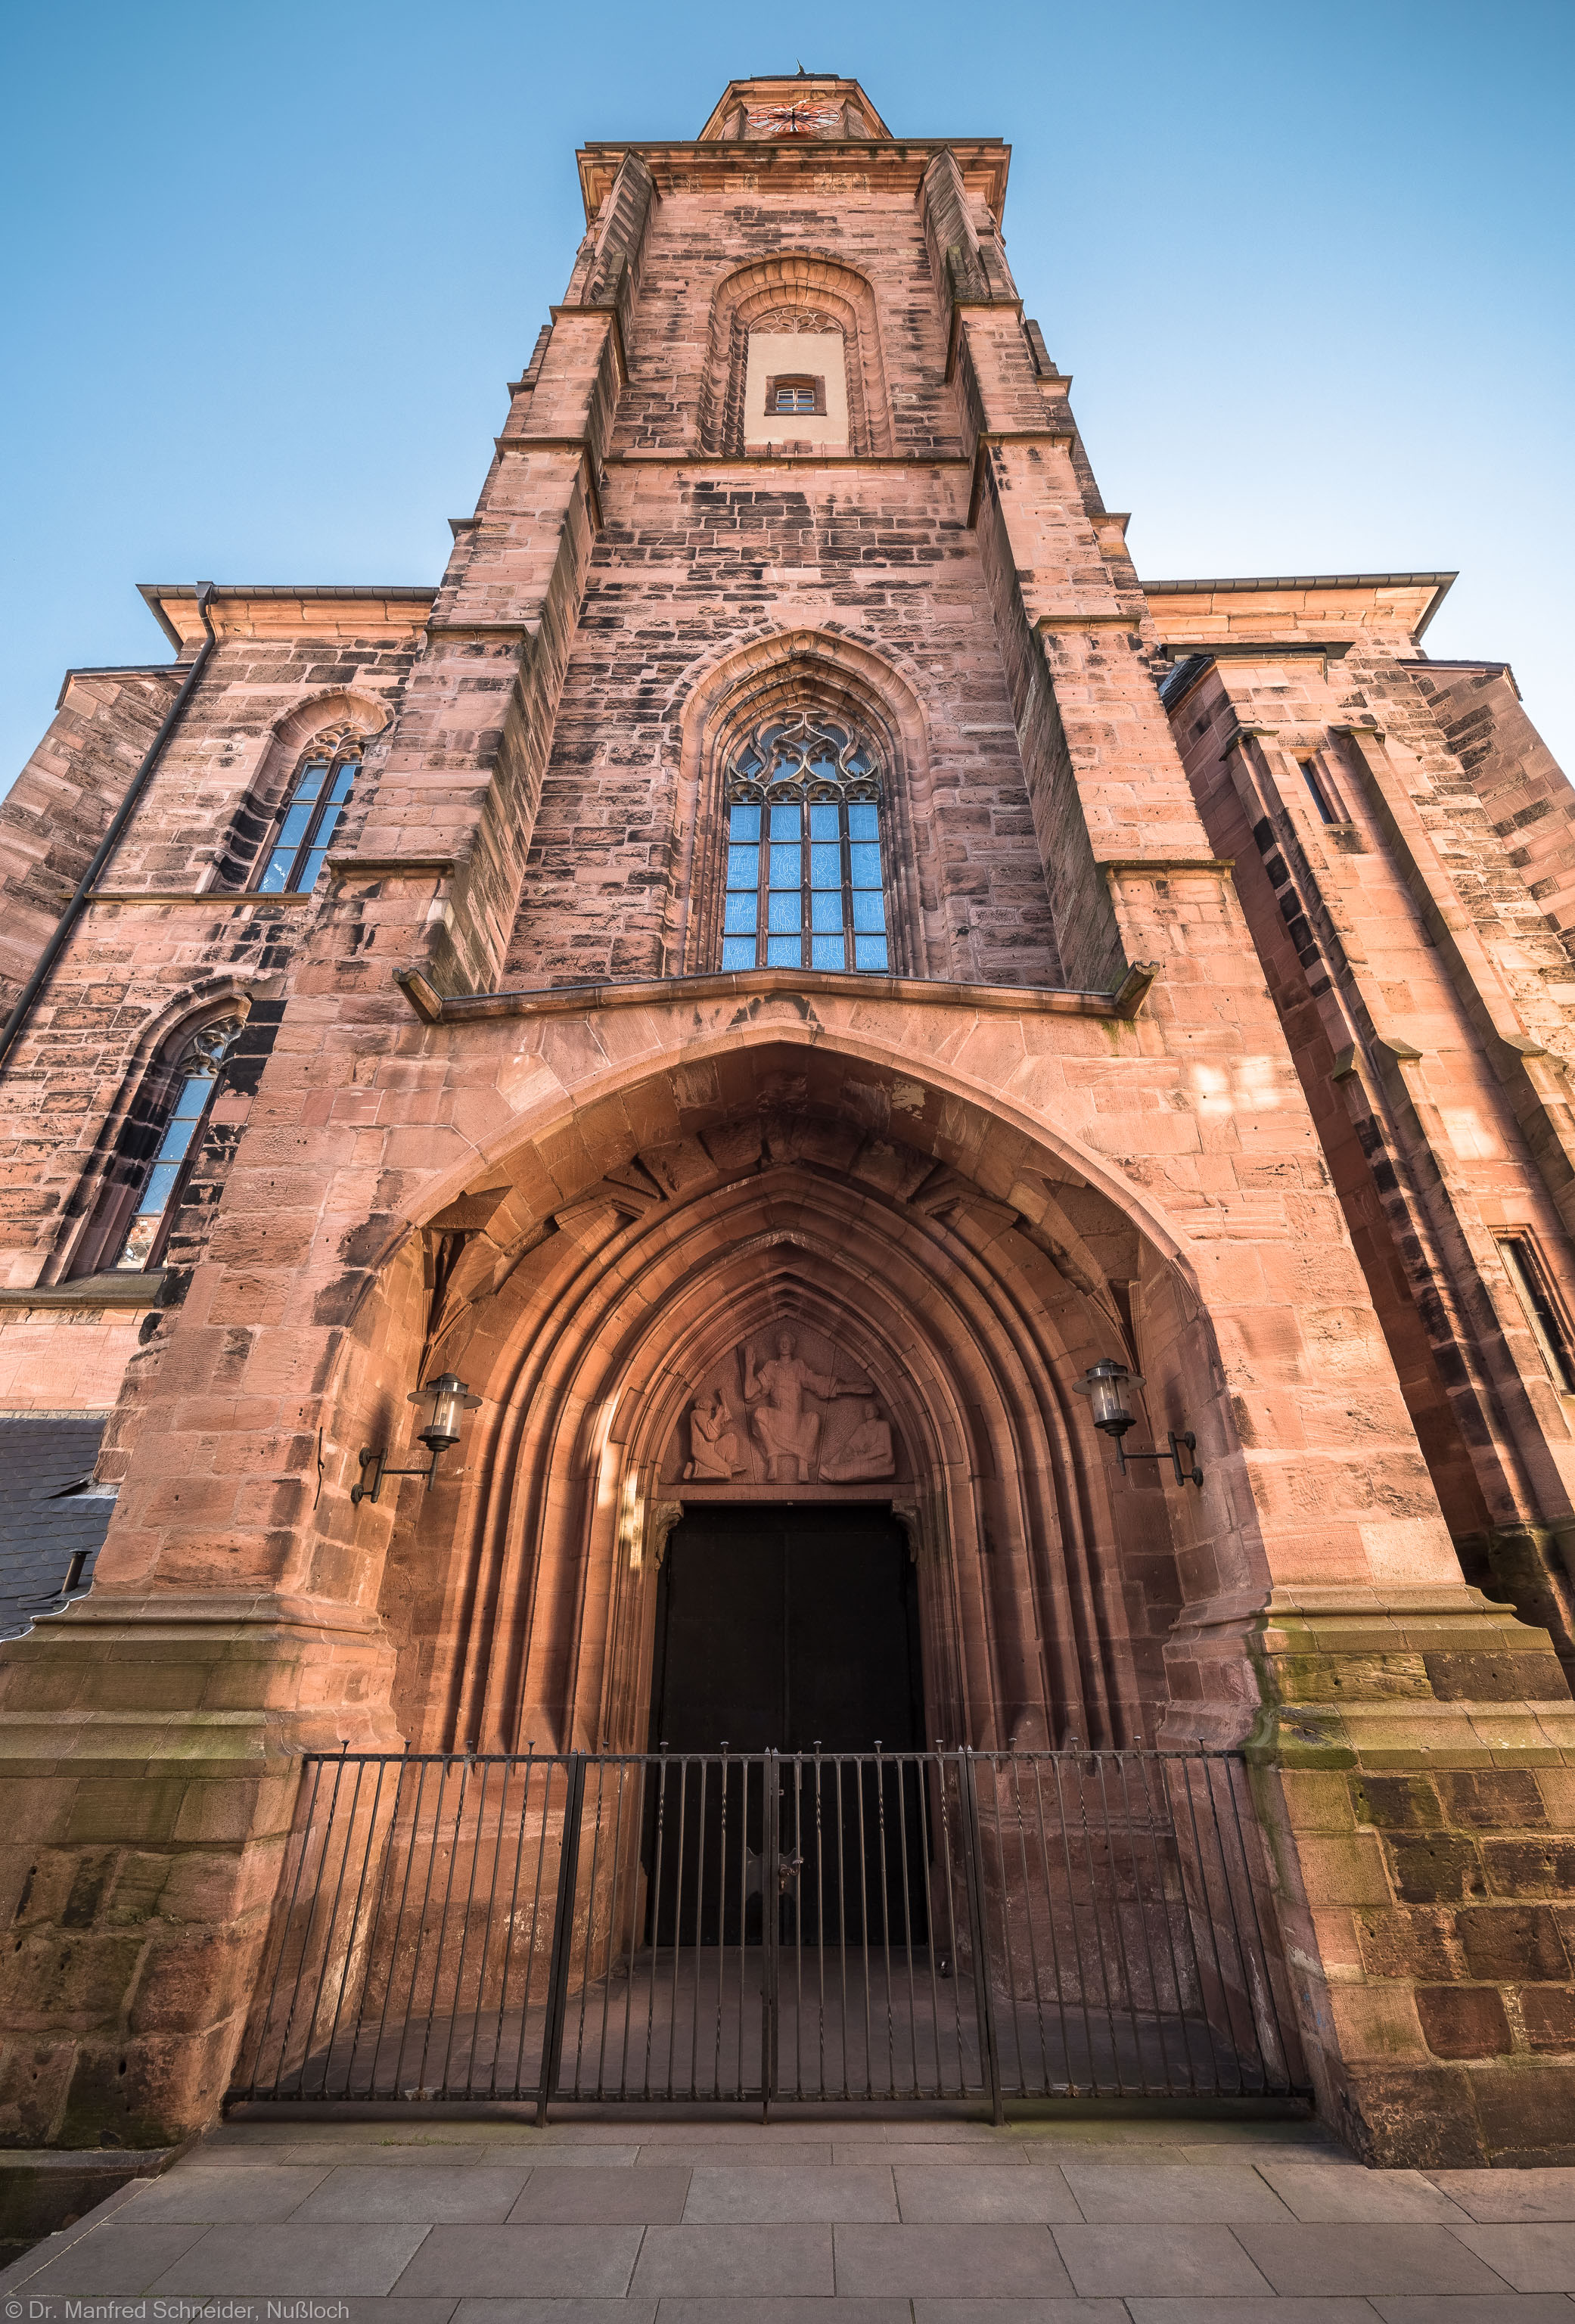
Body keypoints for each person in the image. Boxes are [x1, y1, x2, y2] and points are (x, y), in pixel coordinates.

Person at [742, 1330, 861, 1481]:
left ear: (793, 1345)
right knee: (759, 1413)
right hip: (777, 1419)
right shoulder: (771, 1366)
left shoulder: (798, 1366)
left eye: (787, 1341)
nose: (784, 1344)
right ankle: (773, 1457)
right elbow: (748, 1393)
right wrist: (749, 1366)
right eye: (781, 1342)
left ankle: (803, 1461)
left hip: (797, 1422)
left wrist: (847, 1388)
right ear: (777, 1346)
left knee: (814, 1419)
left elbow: (818, 1383)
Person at [819, 1399, 895, 1482]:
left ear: (876, 1411)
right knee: (851, 1462)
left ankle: (834, 1474)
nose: (867, 1412)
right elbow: (851, 1444)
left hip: (881, 1460)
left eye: (870, 1409)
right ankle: (831, 1468)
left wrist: (862, 1457)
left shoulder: (883, 1425)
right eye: (866, 1410)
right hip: (862, 1457)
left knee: (862, 1466)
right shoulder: (862, 1428)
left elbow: (883, 1449)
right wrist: (841, 1456)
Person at [685, 1387, 741, 1480]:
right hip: (701, 1449)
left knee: (731, 1437)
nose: (709, 1401)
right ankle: (695, 1470)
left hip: (712, 1448)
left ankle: (732, 1463)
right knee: (726, 1472)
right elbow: (711, 1436)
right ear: (702, 1405)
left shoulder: (710, 1415)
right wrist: (718, 1416)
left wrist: (724, 1401)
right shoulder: (697, 1413)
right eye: (706, 1400)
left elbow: (726, 1418)